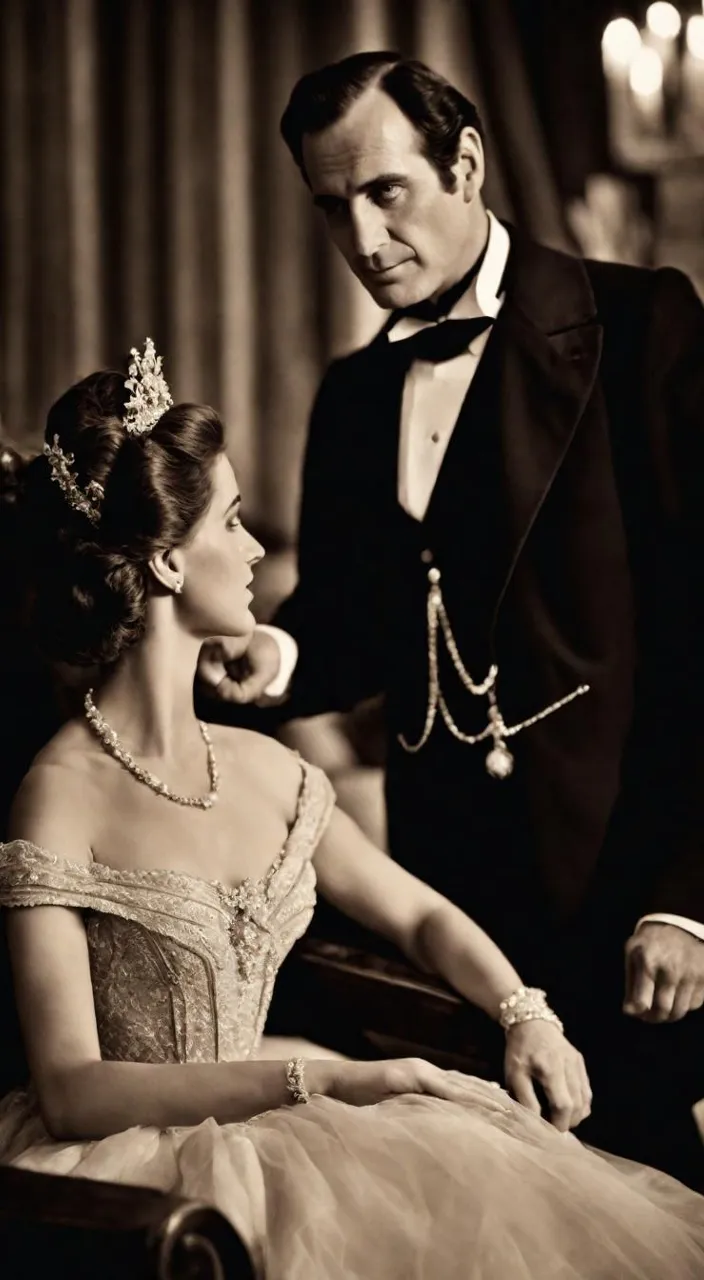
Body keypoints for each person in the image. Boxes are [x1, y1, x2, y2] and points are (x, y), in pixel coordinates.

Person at [1, 343, 704, 1280]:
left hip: (293, 1129)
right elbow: (70, 1089)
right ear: (168, 563)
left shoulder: (266, 767)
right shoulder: (58, 791)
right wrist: (328, 1077)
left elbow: (415, 911)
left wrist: (524, 1012)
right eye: (236, 521)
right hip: (127, 1180)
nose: (256, 550)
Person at [196, 52, 704, 1187]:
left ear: (465, 163)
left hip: (624, 903)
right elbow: (350, 623)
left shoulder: (642, 329)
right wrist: (270, 654)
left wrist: (688, 899)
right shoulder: (351, 395)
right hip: (447, 913)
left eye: (386, 193)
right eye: (332, 207)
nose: (363, 239)